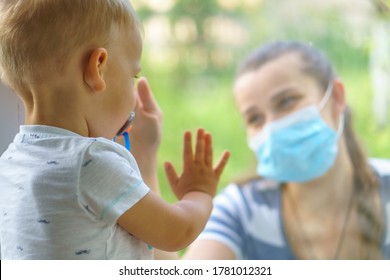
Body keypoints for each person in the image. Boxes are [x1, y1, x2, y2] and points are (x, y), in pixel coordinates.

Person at [0, 0, 230, 259]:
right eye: (133, 76)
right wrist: (198, 192)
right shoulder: (90, 162)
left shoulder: (10, 163)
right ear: (98, 67)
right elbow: (178, 232)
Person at [183, 41, 390, 260]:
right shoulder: (239, 211)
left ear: (336, 98)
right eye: (255, 118)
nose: (272, 127)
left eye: (287, 101)